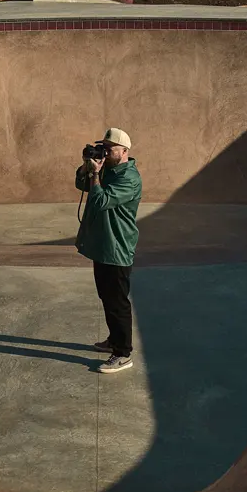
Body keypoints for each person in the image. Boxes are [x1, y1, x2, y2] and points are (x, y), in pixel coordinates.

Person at [75, 127, 143, 374]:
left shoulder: (129, 178)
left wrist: (96, 174)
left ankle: (123, 354)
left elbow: (100, 200)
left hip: (117, 247)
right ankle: (114, 340)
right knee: (106, 296)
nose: (104, 152)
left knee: (118, 302)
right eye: (102, 147)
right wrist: (87, 167)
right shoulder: (108, 169)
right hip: (102, 245)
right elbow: (81, 184)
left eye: (109, 148)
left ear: (124, 151)